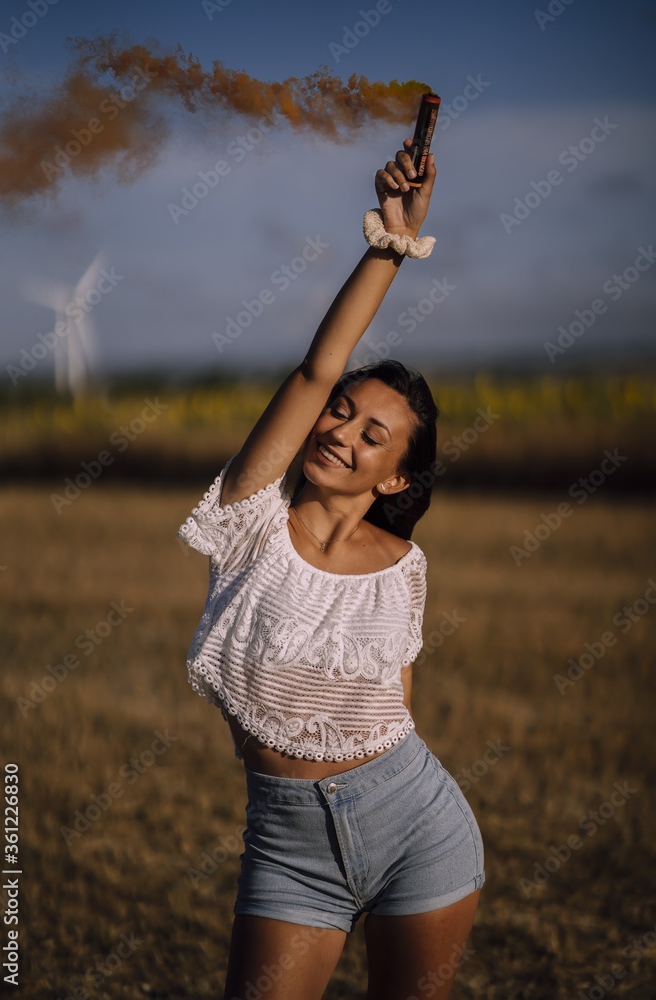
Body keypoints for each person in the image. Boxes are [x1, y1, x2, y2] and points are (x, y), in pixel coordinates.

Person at [177, 139, 484, 1000]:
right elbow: (316, 365)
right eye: (340, 414)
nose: (338, 432)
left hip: (419, 825)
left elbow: (397, 705)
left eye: (370, 435)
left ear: (395, 477)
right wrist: (389, 243)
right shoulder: (249, 520)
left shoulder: (402, 565)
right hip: (287, 848)